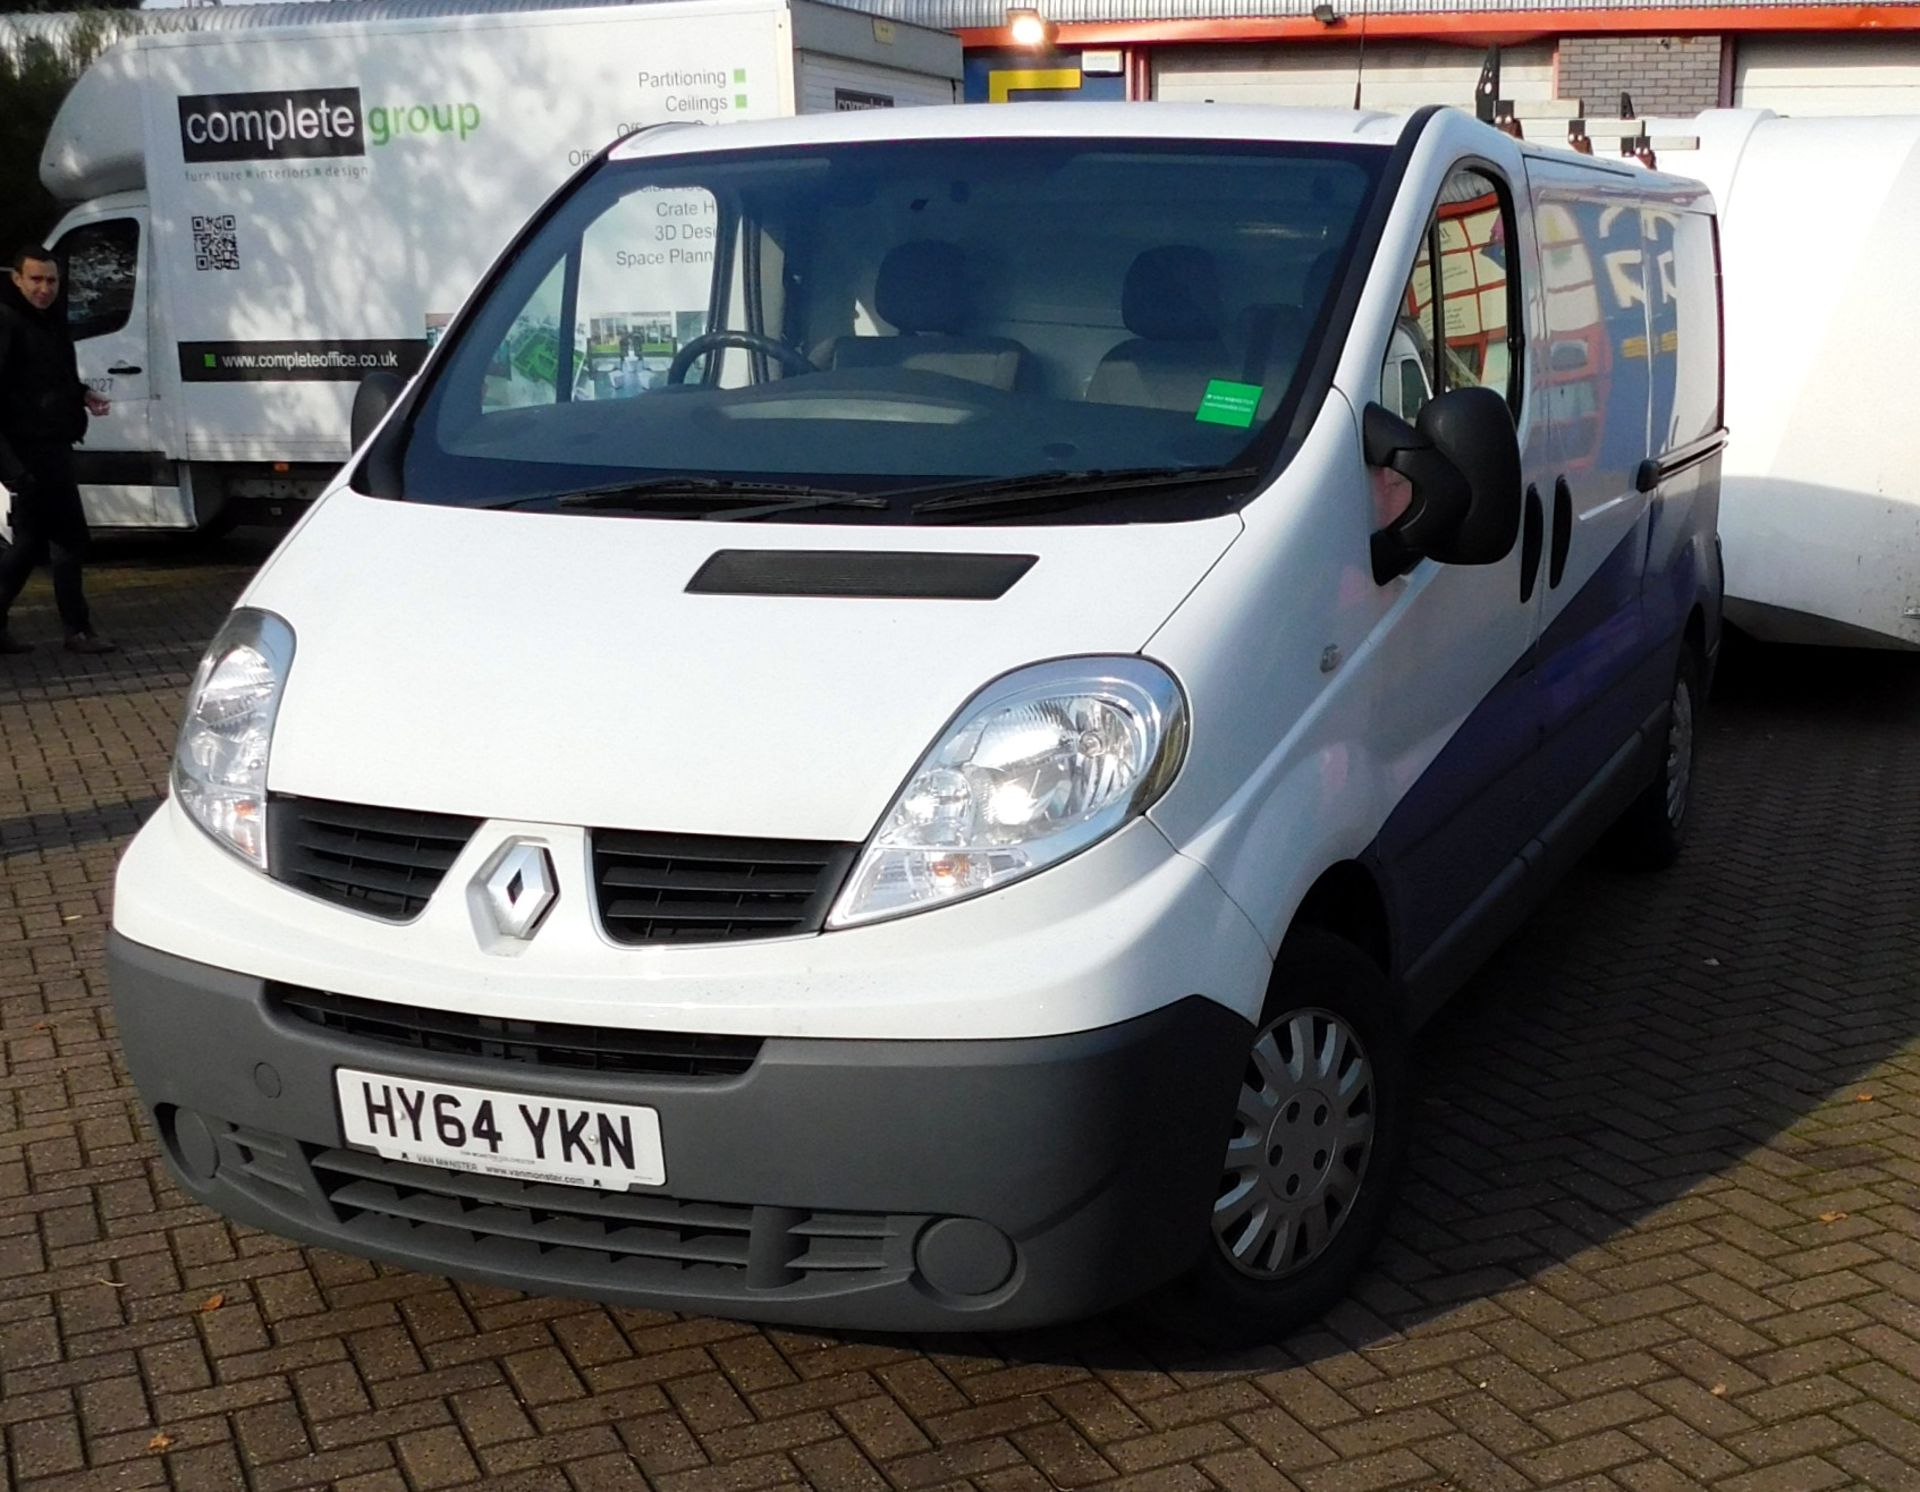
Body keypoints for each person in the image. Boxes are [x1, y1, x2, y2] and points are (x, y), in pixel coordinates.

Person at [0, 244, 115, 655]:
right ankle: (77, 630)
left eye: (51, 280)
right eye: (36, 279)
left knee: (48, 543)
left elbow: (51, 377)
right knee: (45, 543)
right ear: (17, 279)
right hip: (26, 454)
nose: (44, 288)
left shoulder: (51, 322)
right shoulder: (8, 321)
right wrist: (11, 469)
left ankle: (74, 629)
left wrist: (82, 395)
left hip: (54, 446)